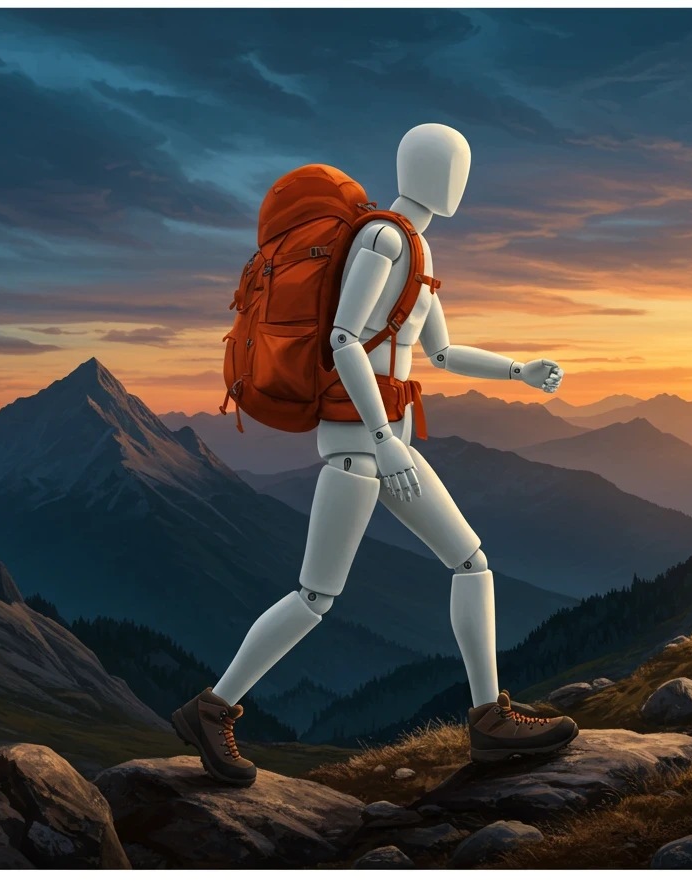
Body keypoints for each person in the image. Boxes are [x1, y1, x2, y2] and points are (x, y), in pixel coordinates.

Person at [173, 124, 577, 786]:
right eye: (450, 165)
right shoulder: (384, 240)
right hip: (362, 446)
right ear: (420, 170)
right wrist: (385, 441)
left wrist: (519, 369)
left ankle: (488, 720)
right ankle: (211, 709)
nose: (459, 179)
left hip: (386, 442)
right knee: (314, 595)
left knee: (470, 561)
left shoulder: (415, 248)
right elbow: (342, 339)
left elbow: (440, 353)